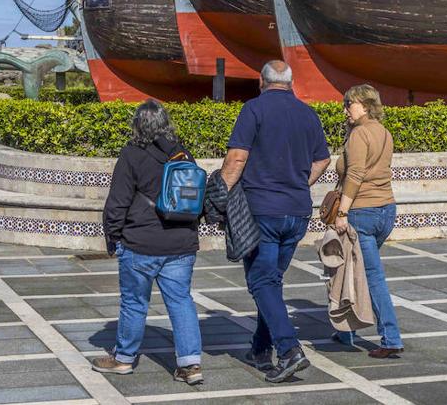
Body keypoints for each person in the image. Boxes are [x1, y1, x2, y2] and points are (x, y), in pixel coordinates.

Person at [221, 60, 332, 384]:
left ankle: (288, 350)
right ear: (290, 82)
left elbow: (237, 157)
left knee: (262, 281)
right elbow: (322, 158)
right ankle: (259, 348)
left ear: (261, 81)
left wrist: (220, 197)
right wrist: (299, 184)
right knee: (271, 281)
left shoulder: (253, 110)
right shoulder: (307, 113)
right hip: (296, 212)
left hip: (262, 212)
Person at [94, 100, 204, 385]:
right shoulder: (183, 153)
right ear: (167, 123)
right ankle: (190, 365)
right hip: (181, 243)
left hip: (140, 243)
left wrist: (112, 238)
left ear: (138, 125)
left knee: (134, 303)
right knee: (181, 301)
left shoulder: (132, 154)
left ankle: (123, 359)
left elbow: (117, 203)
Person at [332, 84, 403, 358]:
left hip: (362, 212)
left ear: (364, 104)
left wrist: (342, 212)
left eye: (348, 103)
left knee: (371, 276)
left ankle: (391, 337)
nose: (345, 109)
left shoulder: (360, 134)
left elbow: (356, 174)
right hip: (386, 210)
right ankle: (344, 329)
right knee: (354, 270)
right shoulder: (383, 132)